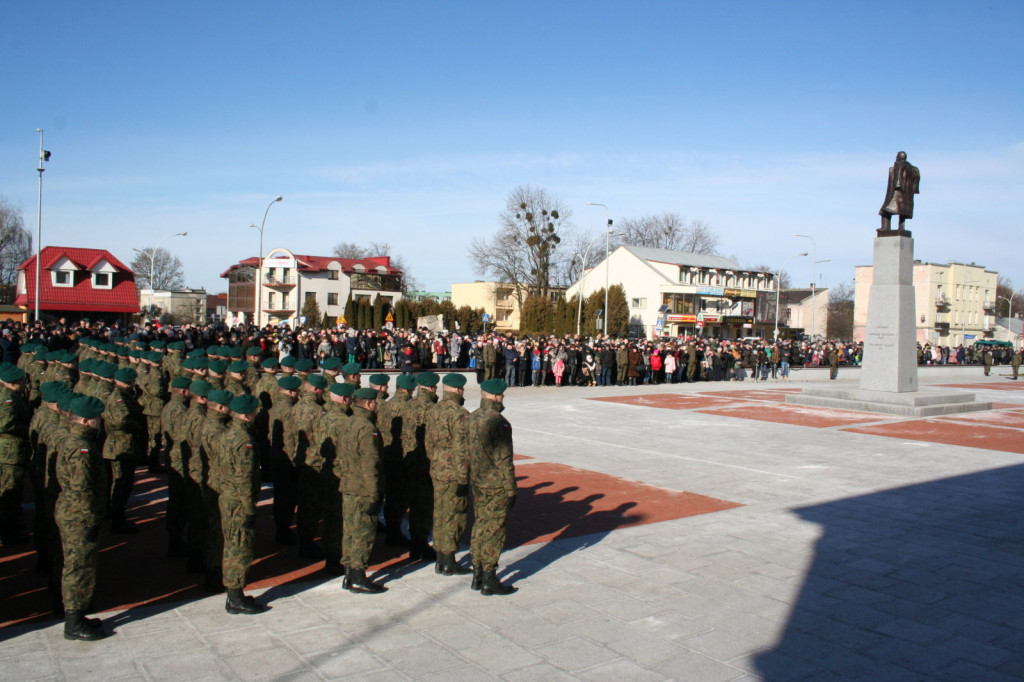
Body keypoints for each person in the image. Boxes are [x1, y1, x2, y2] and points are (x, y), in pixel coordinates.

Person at [55, 394, 108, 640]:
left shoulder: (75, 440)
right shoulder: (81, 448)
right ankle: (73, 623)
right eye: (97, 418)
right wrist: (89, 519)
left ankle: (78, 615)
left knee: (80, 565)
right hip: (78, 515)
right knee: (78, 567)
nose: (100, 422)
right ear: (87, 421)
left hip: (74, 512)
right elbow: (81, 488)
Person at [466, 379, 517, 596]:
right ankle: (489, 577)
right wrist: (511, 488)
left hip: (477, 480)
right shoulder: (499, 422)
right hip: (495, 483)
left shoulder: (472, 417)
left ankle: (477, 572)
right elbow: (503, 458)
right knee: (494, 529)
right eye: (502, 395)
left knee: (480, 524)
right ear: (496, 396)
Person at [219, 394, 268, 614]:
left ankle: (234, 593)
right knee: (239, 547)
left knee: (233, 543)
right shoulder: (244, 439)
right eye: (254, 412)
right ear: (247, 414)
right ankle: (235, 597)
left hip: (229, 496)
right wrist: (249, 506)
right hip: (239, 500)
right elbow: (245, 476)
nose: (256, 415)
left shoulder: (228, 433)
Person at [425, 373, 472, 576]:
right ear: (459, 390)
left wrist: (435, 461)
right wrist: (464, 476)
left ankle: (440, 559)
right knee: (455, 515)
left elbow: (428, 442)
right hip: (454, 472)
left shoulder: (434, 410)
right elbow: (463, 449)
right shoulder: (460, 414)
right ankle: (449, 560)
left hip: (437, 469)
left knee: (440, 513)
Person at [340, 387, 387, 593]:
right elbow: (370, 463)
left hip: (348, 485)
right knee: (363, 533)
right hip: (363, 488)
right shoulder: (368, 428)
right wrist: (375, 493)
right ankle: (358, 576)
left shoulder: (347, 422)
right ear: (369, 404)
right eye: (374, 402)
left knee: (349, 531)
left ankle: (349, 573)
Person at [0, 365, 30, 545]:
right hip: (9, 451)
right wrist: (24, 430)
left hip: (8, 449)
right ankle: (7, 533)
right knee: (9, 492)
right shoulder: (8, 398)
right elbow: (5, 424)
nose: (24, 384)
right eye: (21, 381)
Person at [879, 151, 921, 231]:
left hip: (898, 192)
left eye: (897, 156)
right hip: (908, 196)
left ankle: (885, 228)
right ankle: (901, 228)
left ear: (899, 157)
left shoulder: (899, 164)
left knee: (884, 211)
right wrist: (914, 190)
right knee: (903, 212)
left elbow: (899, 173)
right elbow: (916, 181)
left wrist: (898, 185)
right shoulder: (914, 169)